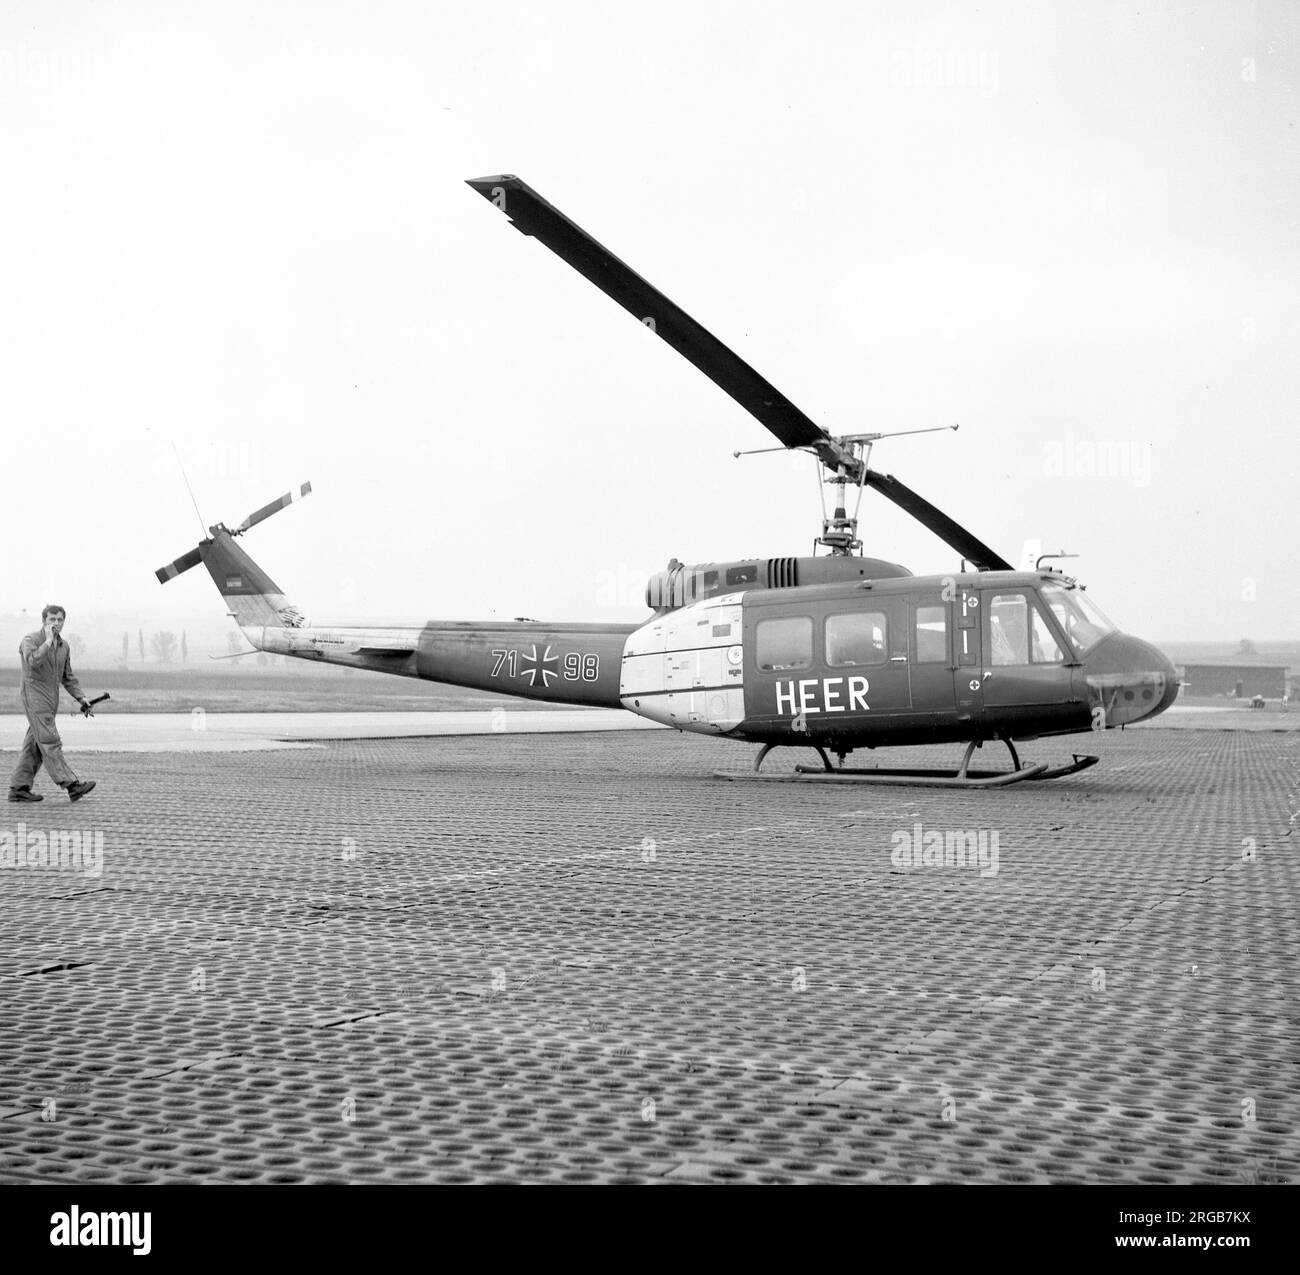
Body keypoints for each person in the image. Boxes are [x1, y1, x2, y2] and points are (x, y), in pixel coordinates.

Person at [8, 605, 96, 803]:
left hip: (50, 701)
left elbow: (68, 677)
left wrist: (81, 698)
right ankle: (72, 786)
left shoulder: (64, 646)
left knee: (35, 744)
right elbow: (32, 662)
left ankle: (18, 788)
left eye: (60, 620)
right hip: (35, 699)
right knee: (50, 741)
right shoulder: (30, 640)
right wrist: (47, 642)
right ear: (44, 621)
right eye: (52, 620)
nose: (56, 623)